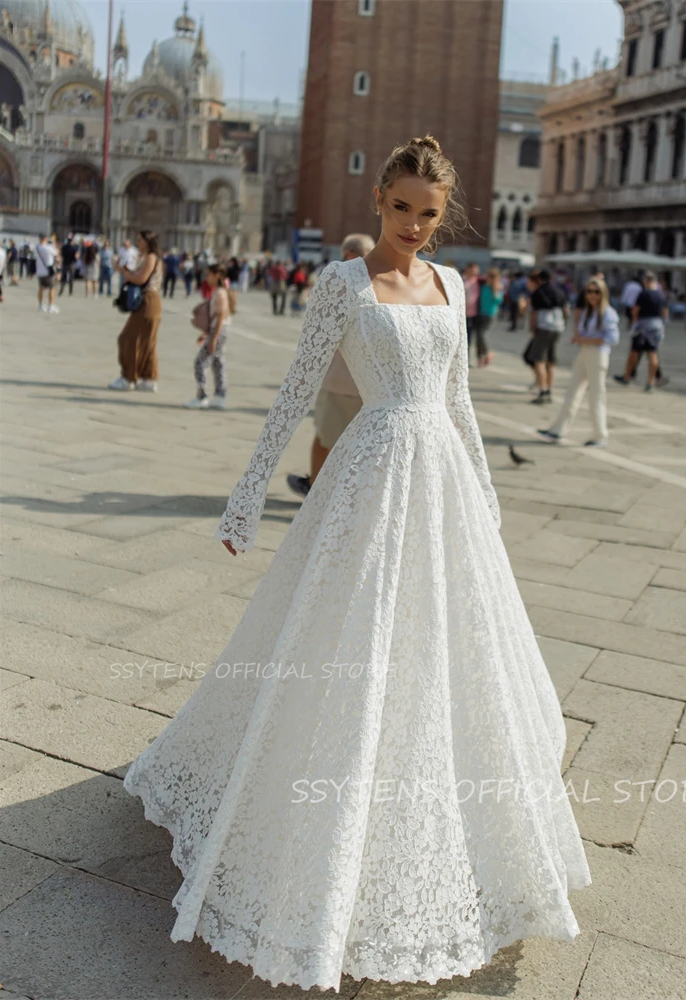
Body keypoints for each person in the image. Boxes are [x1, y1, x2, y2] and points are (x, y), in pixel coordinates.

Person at [123, 134, 590, 993]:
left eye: (429, 214)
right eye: (403, 207)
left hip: (441, 479)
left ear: (444, 218)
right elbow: (299, 391)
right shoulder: (342, 283)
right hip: (368, 474)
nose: (414, 225)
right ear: (379, 200)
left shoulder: (453, 283)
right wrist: (247, 494)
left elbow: (459, 404)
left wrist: (485, 496)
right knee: (346, 642)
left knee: (447, 651)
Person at [286, 233, 374, 499]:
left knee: (325, 440)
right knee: (361, 446)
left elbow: (317, 335)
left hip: (339, 380)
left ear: (348, 254)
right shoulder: (383, 283)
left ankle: (316, 490)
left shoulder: (339, 282)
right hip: (371, 385)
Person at [538, 276, 619, 446]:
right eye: (589, 291)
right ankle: (558, 429)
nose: (592, 295)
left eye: (596, 292)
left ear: (603, 293)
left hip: (598, 355)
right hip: (585, 353)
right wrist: (580, 338)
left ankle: (600, 434)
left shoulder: (607, 313)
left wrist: (586, 339)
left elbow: (612, 338)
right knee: (572, 391)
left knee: (596, 395)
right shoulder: (588, 312)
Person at [108, 230, 162, 392]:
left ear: (147, 242)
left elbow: (141, 279)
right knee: (147, 341)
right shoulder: (147, 258)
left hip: (148, 301)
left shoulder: (151, 258)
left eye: (139, 240)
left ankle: (129, 377)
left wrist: (122, 271)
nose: (137, 242)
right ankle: (148, 379)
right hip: (150, 301)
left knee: (128, 338)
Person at [184, 262, 231, 410]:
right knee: (218, 363)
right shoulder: (219, 291)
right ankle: (219, 396)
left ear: (217, 276)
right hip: (220, 330)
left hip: (219, 330)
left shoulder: (220, 292)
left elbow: (221, 315)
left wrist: (213, 338)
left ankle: (202, 395)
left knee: (200, 362)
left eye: (209, 274)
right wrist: (206, 334)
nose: (206, 277)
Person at [615, 271, 669, 392]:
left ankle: (627, 376)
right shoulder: (661, 295)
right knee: (652, 353)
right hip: (657, 326)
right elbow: (666, 312)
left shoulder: (643, 294)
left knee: (634, 352)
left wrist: (634, 324)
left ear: (646, 281)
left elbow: (635, 311)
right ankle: (651, 381)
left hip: (643, 326)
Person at [526, 268, 569, 405]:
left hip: (544, 328)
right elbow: (566, 310)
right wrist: (563, 324)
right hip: (558, 327)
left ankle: (542, 390)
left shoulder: (538, 293)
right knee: (551, 361)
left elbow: (533, 314)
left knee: (539, 360)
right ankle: (549, 389)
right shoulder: (559, 291)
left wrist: (533, 329)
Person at [474, 266, 504, 366]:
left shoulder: (496, 287)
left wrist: (495, 291)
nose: (489, 277)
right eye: (488, 275)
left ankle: (487, 353)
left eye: (492, 276)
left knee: (483, 335)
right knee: (478, 336)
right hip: (479, 313)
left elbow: (499, 300)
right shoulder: (483, 285)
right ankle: (480, 357)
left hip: (490, 314)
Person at [34, 234, 58, 314]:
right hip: (49, 270)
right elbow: (56, 254)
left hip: (40, 270)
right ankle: (50, 306)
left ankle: (40, 305)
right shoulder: (49, 248)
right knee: (52, 288)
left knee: (41, 287)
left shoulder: (37, 248)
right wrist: (54, 244)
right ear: (45, 239)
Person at [462, 261, 480, 360]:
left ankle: (466, 358)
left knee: (469, 337)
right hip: (461, 313)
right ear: (467, 269)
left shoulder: (479, 281)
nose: (474, 272)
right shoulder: (461, 280)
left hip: (473, 314)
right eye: (472, 270)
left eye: (476, 270)